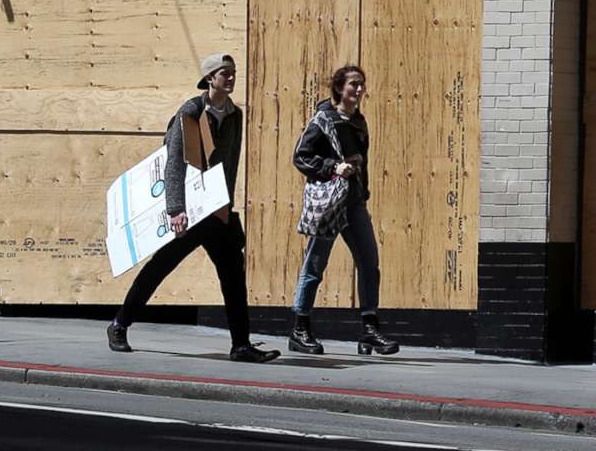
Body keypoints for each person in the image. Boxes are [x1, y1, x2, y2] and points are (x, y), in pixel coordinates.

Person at [108, 54, 280, 362]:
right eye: (224, 73)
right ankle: (119, 325)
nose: (230, 78)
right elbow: (173, 161)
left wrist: (226, 206)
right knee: (159, 267)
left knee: (232, 276)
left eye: (233, 73)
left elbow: (230, 164)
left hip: (217, 210)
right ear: (210, 79)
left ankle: (241, 345)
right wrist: (176, 208)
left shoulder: (236, 116)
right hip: (189, 211)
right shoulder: (191, 112)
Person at [290, 63, 398, 357]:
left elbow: (362, 159)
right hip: (330, 203)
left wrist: (363, 188)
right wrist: (333, 167)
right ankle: (300, 328)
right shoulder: (323, 120)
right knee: (315, 265)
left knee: (369, 263)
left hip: (354, 203)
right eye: (354, 84)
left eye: (362, 84)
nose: (360, 90)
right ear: (340, 88)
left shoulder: (358, 121)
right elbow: (301, 157)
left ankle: (369, 329)